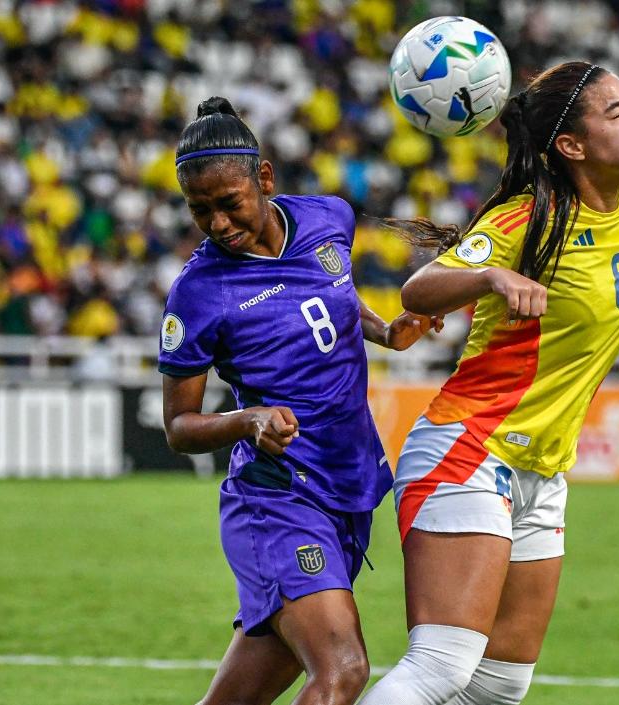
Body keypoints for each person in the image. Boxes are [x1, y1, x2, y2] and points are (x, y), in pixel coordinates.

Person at [357, 61, 619, 705]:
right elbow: (417, 290)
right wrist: (490, 278)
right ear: (571, 146)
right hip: (471, 452)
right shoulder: (523, 220)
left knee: (499, 685)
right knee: (441, 667)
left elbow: (600, 297)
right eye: (616, 114)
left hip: (542, 472)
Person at [158, 97, 440, 705]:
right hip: (279, 498)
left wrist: (385, 330)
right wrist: (246, 419)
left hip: (347, 487)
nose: (217, 223)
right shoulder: (199, 293)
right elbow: (178, 426)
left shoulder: (328, 218)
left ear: (264, 179)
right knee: (342, 671)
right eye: (199, 210)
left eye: (228, 203)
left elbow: (333, 294)